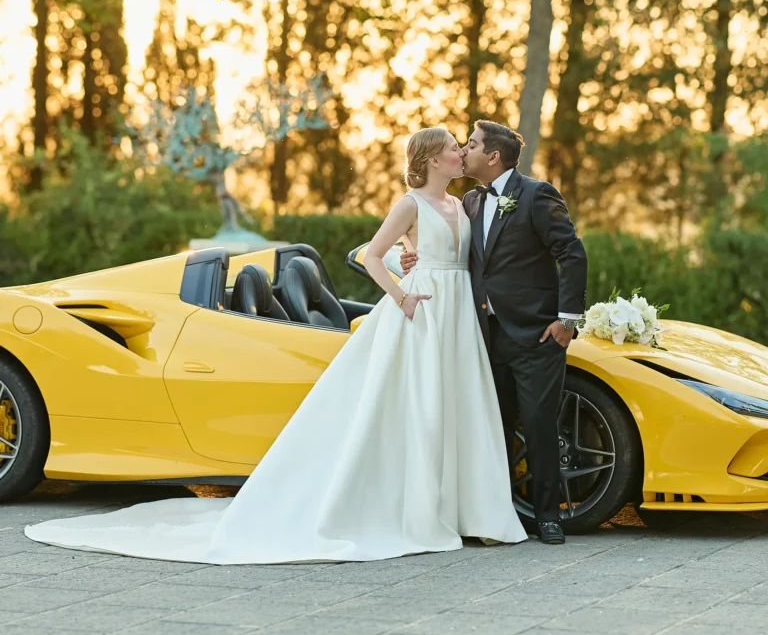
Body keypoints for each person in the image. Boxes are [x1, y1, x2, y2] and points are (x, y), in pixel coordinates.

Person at [24, 127, 528, 564]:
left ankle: (465, 509)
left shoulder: (463, 202)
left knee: (460, 409)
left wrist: (413, 254)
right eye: (453, 147)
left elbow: (434, 252)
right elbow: (374, 257)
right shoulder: (409, 202)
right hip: (423, 314)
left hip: (460, 315)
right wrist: (403, 297)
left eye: (464, 147)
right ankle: (420, 512)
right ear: (431, 159)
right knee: (423, 411)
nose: (463, 151)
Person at [401, 121, 588, 545]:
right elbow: (444, 250)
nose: (464, 150)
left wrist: (567, 320)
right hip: (480, 336)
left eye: (472, 144)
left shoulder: (538, 195)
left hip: (537, 336)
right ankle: (497, 514)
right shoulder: (468, 201)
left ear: (493, 157)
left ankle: (548, 516)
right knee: (491, 428)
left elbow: (571, 253)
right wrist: (411, 258)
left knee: (540, 426)